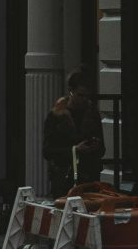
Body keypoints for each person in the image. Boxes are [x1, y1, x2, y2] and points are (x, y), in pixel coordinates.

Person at [43, 69, 105, 198]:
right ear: (71, 91)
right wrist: (74, 150)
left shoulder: (92, 114)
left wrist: (94, 146)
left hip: (88, 177)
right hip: (64, 177)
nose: (84, 100)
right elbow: (47, 151)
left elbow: (102, 149)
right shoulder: (57, 116)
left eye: (87, 96)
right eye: (80, 95)